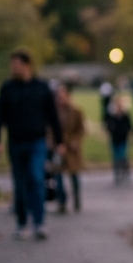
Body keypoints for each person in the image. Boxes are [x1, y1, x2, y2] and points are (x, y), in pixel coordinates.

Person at [0, 50, 63, 241]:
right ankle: (22, 222)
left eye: (16, 64)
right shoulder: (7, 89)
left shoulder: (41, 88)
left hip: (36, 141)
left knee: (36, 177)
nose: (13, 68)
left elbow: (52, 116)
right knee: (19, 183)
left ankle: (39, 222)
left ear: (26, 65)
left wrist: (59, 141)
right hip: (16, 141)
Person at [50, 83, 85, 213]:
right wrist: (54, 144)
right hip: (58, 147)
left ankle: (76, 199)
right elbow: (49, 130)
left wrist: (76, 141)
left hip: (71, 147)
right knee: (57, 176)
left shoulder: (76, 111)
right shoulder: (53, 112)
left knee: (74, 174)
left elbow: (81, 129)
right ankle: (62, 202)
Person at [105, 95, 132, 184]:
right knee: (115, 157)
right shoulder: (112, 117)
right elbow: (108, 127)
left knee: (122, 156)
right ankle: (117, 173)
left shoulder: (125, 116)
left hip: (123, 139)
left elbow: (129, 126)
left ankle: (125, 170)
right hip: (114, 139)